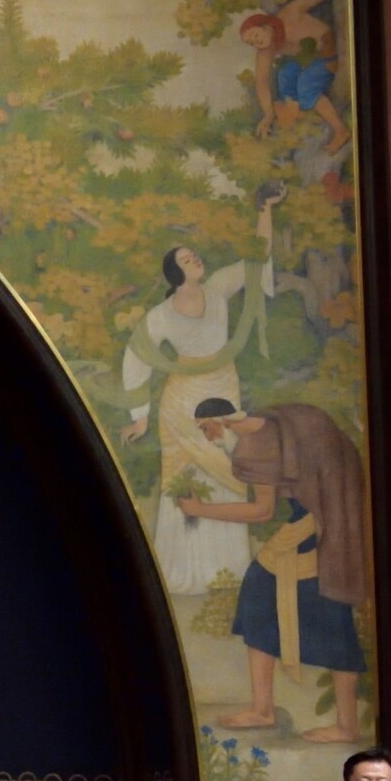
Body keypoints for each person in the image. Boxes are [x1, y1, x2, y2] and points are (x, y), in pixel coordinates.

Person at [119, 187, 281, 598]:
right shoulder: (162, 315)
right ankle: (184, 569)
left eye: (195, 255)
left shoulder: (218, 288)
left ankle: (226, 570)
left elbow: (257, 259)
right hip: (182, 402)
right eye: (186, 258)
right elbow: (136, 355)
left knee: (230, 465)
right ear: (175, 273)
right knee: (187, 475)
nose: (196, 259)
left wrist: (264, 210)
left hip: (223, 393)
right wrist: (139, 415)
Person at [181, 397, 371, 743]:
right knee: (267, 590)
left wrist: (200, 508)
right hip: (327, 513)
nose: (208, 437)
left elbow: (261, 512)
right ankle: (265, 709)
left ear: (223, 422)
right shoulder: (269, 424)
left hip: (319, 524)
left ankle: (339, 724)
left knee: (325, 607)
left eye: (207, 429)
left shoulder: (253, 447)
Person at [240, 0, 350, 157]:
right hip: (306, 59)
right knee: (285, 74)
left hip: (328, 53)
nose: (256, 42)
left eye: (254, 35)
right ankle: (294, 112)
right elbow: (261, 82)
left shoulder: (289, 14)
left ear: (264, 25)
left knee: (306, 85)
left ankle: (340, 130)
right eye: (251, 43)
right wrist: (268, 115)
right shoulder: (266, 51)